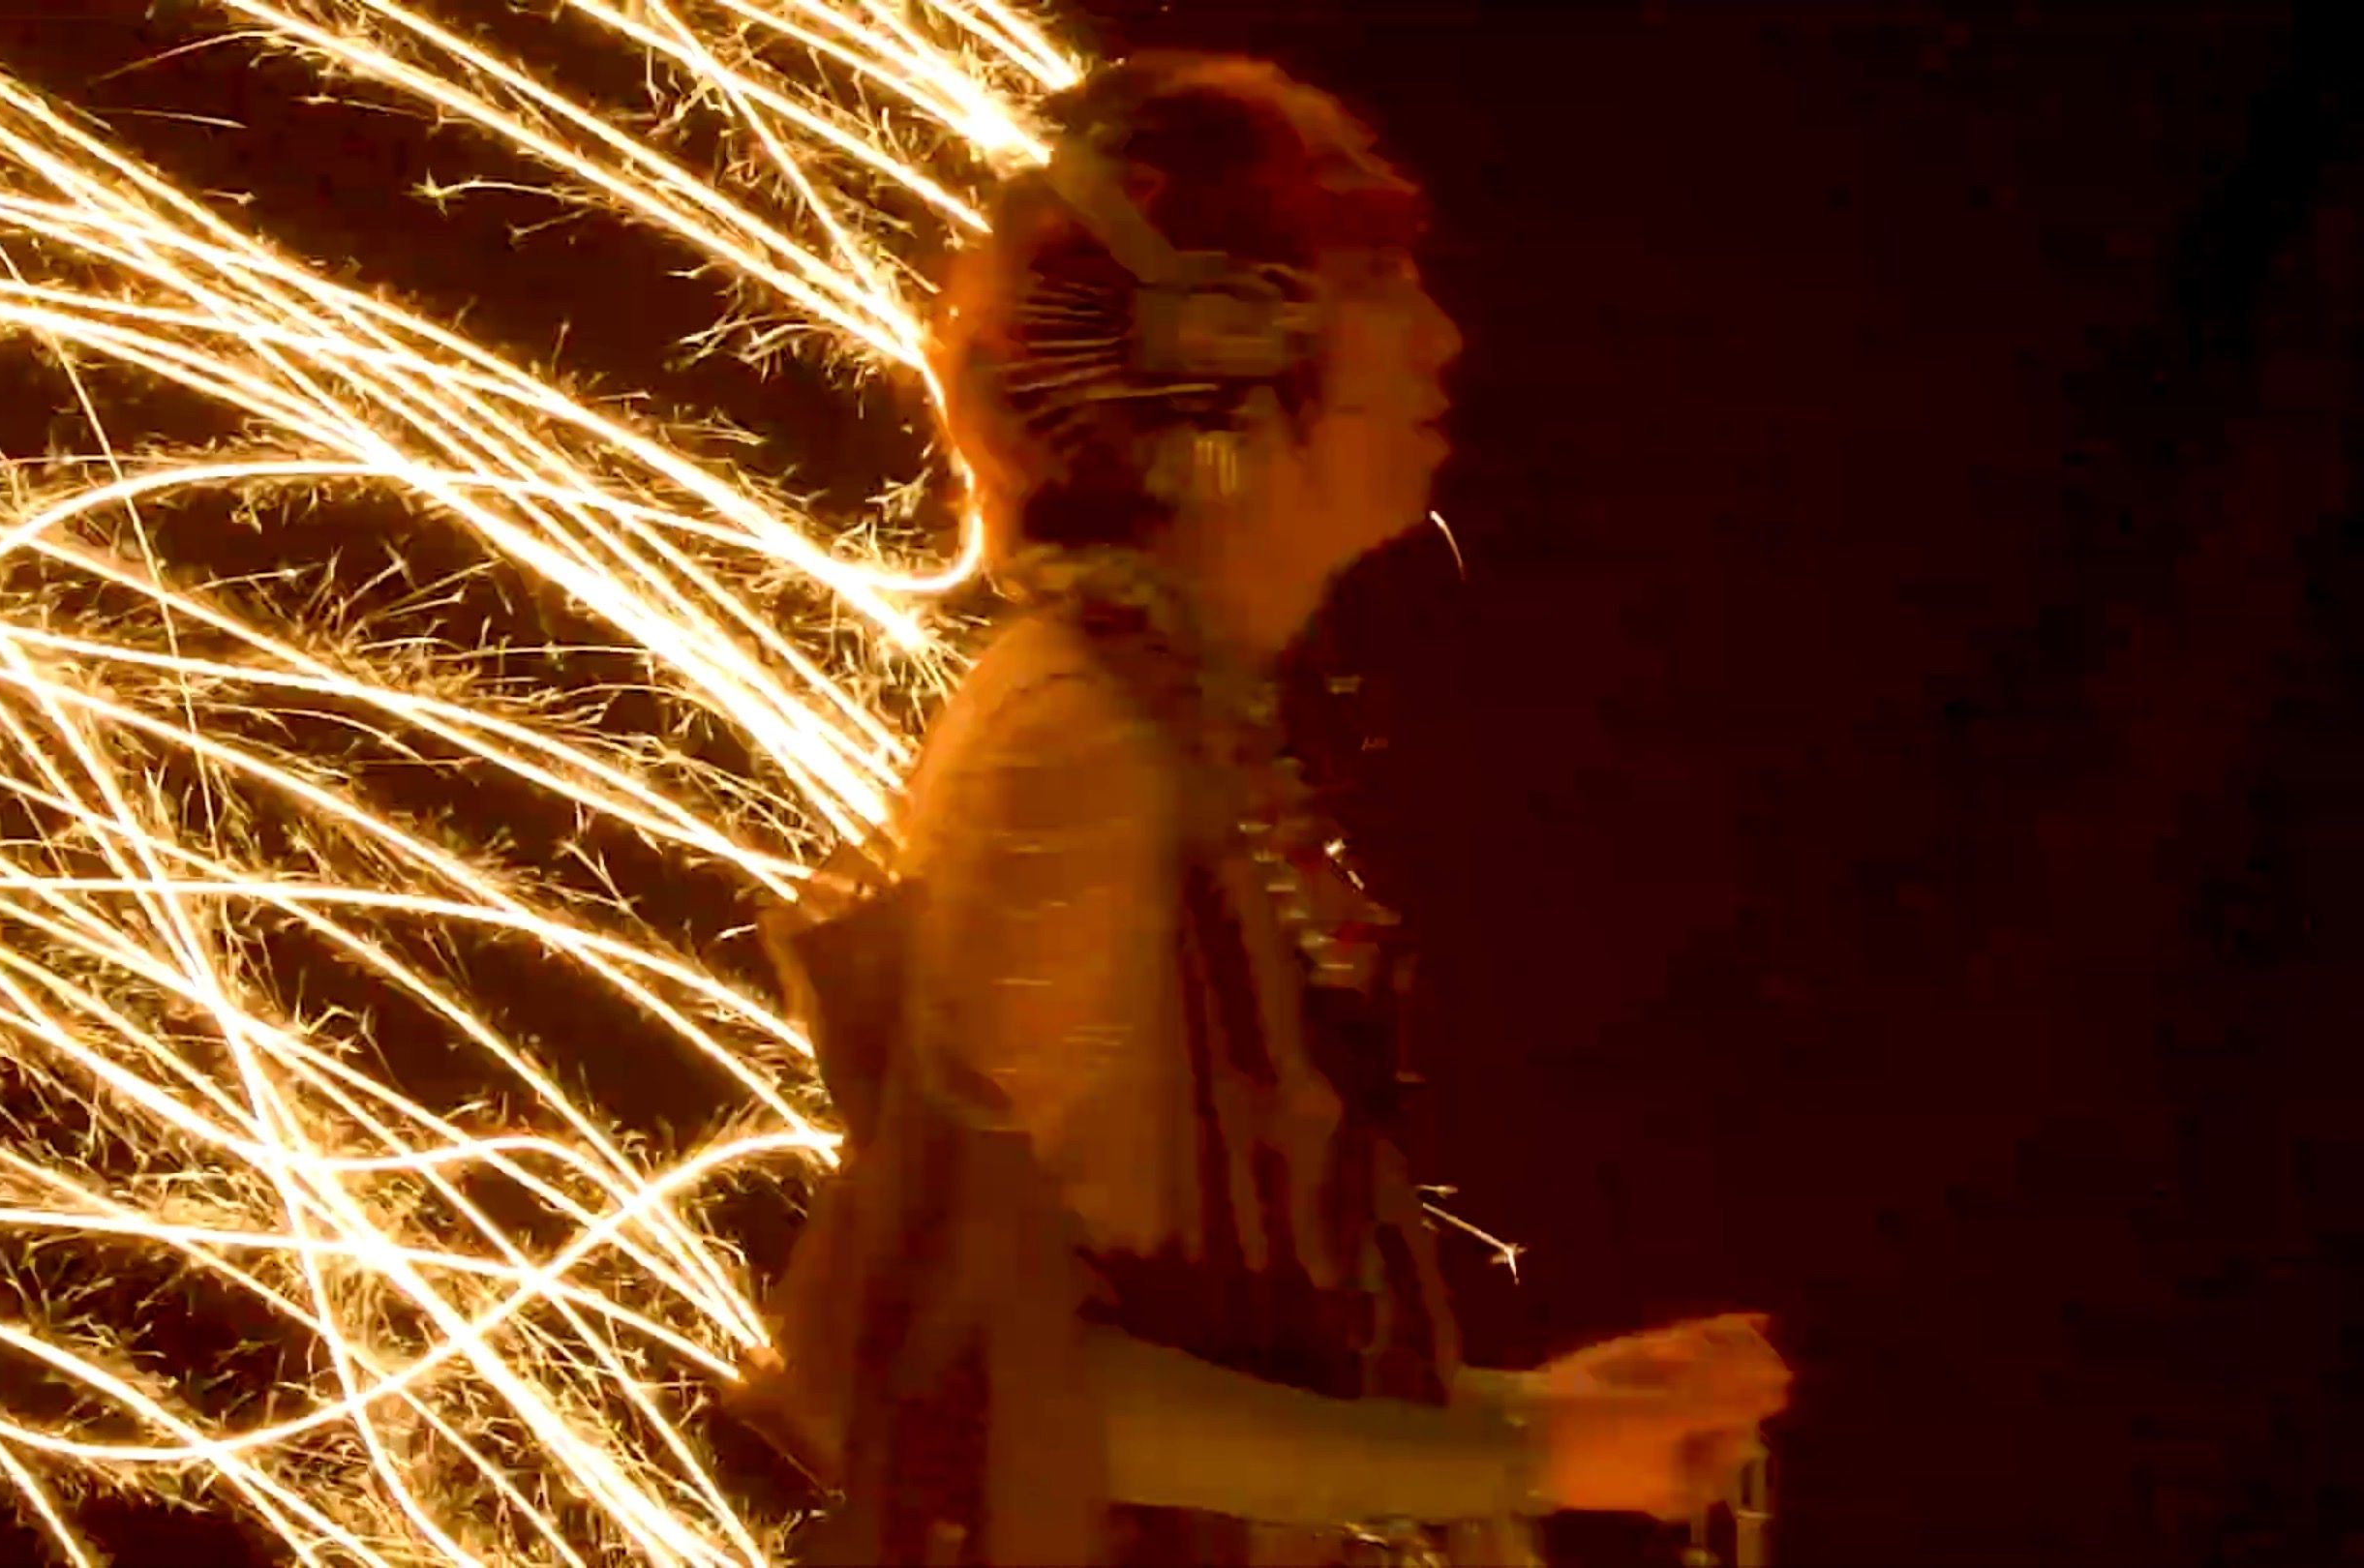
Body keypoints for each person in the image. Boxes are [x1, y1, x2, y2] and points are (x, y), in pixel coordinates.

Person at [735, 52, 1791, 1567]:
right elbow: (995, 1391)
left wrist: (1538, 1419)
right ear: (1211, 338)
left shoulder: (1180, 725)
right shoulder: (1076, 745)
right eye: (1375, 281)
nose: (1443, 336)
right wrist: (1527, 1454)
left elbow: (1205, 1375)